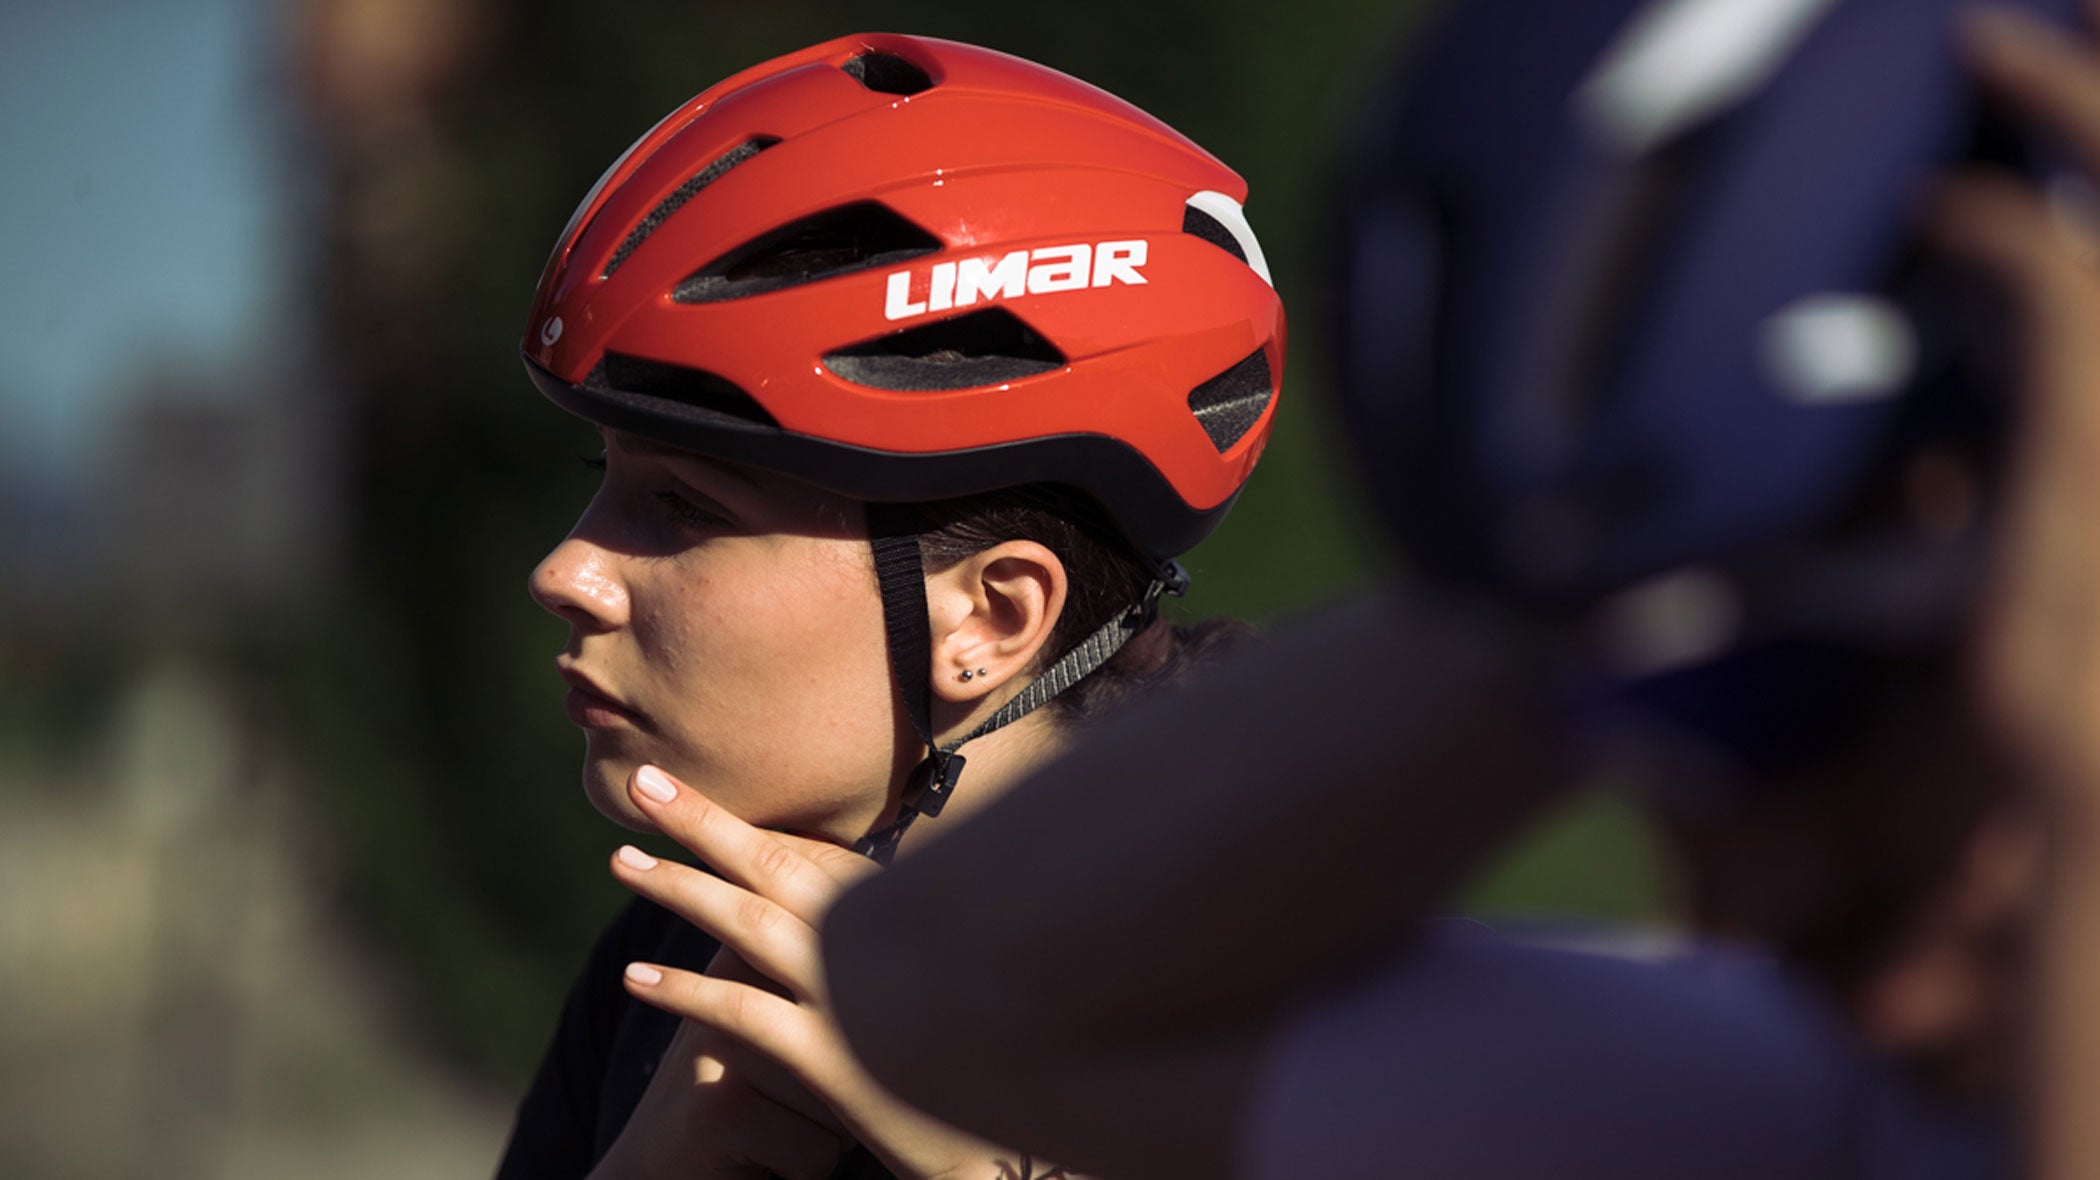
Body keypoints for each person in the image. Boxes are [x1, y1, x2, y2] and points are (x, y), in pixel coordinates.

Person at [819, 2, 2100, 1178]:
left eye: (1816, 699)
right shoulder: (1853, 1108)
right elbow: (944, 995)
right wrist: (1581, 554)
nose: (1746, 904)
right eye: (1698, 717)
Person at [490, 31, 1285, 1180]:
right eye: (600, 480)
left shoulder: (1297, 1016)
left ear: (992, 618)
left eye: (686, 507)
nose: (565, 571)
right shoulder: (677, 971)